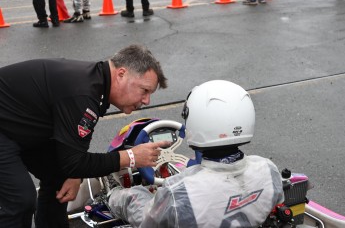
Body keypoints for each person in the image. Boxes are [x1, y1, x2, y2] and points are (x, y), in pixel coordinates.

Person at [0, 44, 169, 228]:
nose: (147, 101)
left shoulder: (96, 83)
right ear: (121, 74)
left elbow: (72, 151)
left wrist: (74, 173)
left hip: (17, 123)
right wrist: (130, 157)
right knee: (20, 199)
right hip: (6, 128)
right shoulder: (84, 93)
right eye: (144, 90)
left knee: (62, 176)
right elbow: (74, 162)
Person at [108, 80, 284, 227]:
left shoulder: (179, 192)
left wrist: (118, 195)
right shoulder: (268, 170)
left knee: (131, 196)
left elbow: (146, 220)